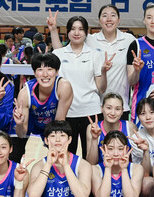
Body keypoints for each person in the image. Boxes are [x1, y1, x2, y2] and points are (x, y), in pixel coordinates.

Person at [47, 13, 112, 158]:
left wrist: (103, 72)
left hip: (91, 112)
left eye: (81, 29)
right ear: (68, 32)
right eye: (73, 29)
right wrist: (53, 30)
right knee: (66, 156)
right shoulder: (59, 54)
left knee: (92, 156)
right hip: (67, 114)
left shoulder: (95, 55)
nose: (76, 33)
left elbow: (101, 89)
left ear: (86, 32)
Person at [13, 52, 73, 162]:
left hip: (52, 123)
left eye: (49, 69)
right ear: (34, 73)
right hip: (30, 123)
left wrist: (54, 148)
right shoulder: (25, 94)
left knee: (60, 155)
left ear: (57, 72)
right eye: (40, 70)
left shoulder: (63, 87)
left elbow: (59, 124)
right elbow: (21, 134)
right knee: (15, 154)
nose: (45, 74)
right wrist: (20, 123)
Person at [84, 4, 137, 120]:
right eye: (104, 16)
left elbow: (149, 46)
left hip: (121, 107)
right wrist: (53, 30)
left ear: (118, 20)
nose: (109, 19)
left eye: (113, 15)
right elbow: (64, 53)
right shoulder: (90, 40)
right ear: (99, 21)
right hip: (95, 106)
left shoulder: (129, 40)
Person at [85, 92, 137, 165]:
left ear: (122, 111)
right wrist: (94, 138)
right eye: (109, 108)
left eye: (117, 109)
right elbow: (91, 163)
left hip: (125, 169)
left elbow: (137, 159)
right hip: (102, 170)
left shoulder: (130, 127)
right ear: (102, 108)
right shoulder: (92, 128)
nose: (113, 113)